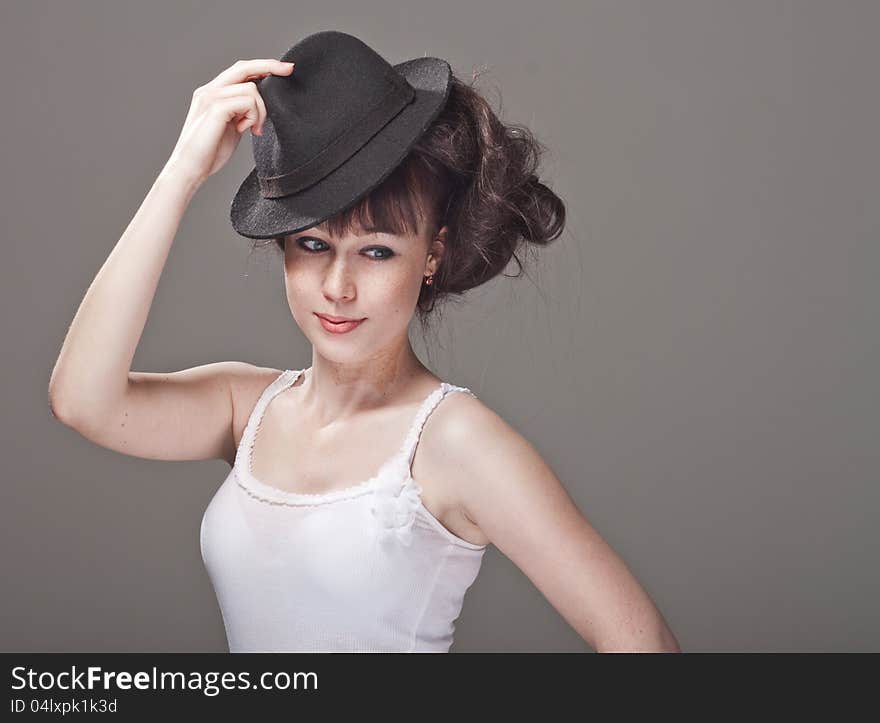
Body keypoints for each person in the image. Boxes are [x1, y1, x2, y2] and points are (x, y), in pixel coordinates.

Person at [48, 31, 680, 653]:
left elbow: (639, 640)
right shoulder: (246, 410)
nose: (338, 287)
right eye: (313, 246)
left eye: (377, 251)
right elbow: (83, 400)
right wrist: (183, 169)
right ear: (284, 252)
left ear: (431, 256)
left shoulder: (455, 442)